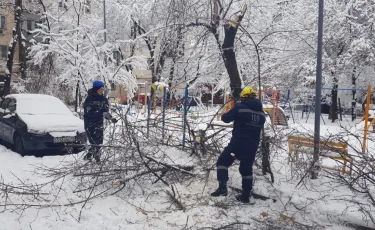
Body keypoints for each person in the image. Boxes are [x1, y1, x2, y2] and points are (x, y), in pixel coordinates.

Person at [211, 86, 266, 203]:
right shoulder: (262, 114)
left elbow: (225, 118)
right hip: (252, 147)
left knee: (222, 162)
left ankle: (222, 189)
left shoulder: (240, 107)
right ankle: (246, 195)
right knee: (246, 170)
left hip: (237, 144)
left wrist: (233, 109)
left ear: (244, 98)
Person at [83, 80, 117, 163]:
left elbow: (105, 112)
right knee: (93, 142)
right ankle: (97, 157)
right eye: (101, 89)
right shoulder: (89, 99)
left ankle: (89, 155)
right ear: (96, 89)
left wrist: (111, 118)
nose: (102, 91)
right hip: (89, 123)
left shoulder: (104, 99)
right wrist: (98, 112)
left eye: (103, 89)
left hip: (99, 123)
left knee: (99, 141)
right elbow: (88, 112)